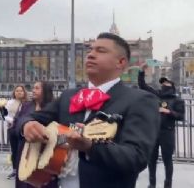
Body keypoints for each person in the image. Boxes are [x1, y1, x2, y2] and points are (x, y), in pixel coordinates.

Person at [21, 32, 160, 188]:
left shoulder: (140, 100)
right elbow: (28, 118)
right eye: (90, 50)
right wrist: (27, 125)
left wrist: (90, 147)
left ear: (121, 62)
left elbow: (136, 157)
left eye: (101, 51)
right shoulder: (68, 96)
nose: (91, 55)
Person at [138, 64, 185, 188]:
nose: (164, 85)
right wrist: (141, 72)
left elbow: (181, 116)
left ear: (172, 86)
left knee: (167, 160)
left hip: (167, 133)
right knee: (151, 159)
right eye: (163, 84)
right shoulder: (156, 94)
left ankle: (167, 184)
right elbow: (143, 86)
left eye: (167, 84)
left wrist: (168, 112)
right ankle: (152, 184)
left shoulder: (178, 100)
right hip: (154, 133)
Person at [14, 81, 56, 188]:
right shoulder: (26, 106)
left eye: (37, 88)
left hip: (44, 154)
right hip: (25, 152)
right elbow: (16, 124)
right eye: (33, 88)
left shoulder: (52, 107)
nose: (33, 91)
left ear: (45, 91)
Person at [5, 85, 28, 179]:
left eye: (21, 91)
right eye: (17, 91)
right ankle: (15, 170)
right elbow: (5, 115)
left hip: (23, 130)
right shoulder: (9, 103)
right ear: (14, 92)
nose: (19, 92)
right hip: (12, 129)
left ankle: (23, 170)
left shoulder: (27, 104)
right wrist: (11, 120)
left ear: (24, 92)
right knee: (14, 150)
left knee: (23, 150)